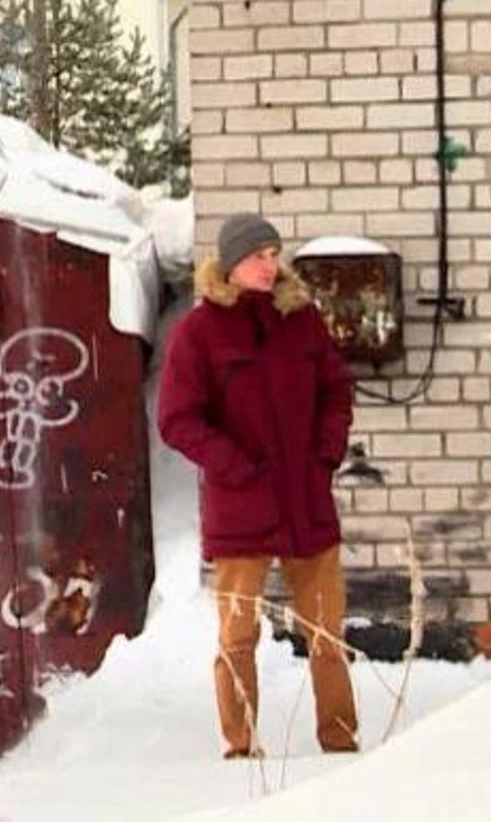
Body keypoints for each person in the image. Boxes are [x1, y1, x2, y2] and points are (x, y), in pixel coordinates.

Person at [157, 213, 359, 759]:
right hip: (240, 507)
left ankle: (340, 741)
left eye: (274, 255)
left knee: (327, 632)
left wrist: (324, 455)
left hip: (306, 501)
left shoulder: (302, 321)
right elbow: (177, 419)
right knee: (237, 635)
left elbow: (337, 391)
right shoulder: (198, 333)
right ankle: (240, 747)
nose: (269, 266)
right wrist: (233, 466)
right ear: (228, 266)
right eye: (256, 257)